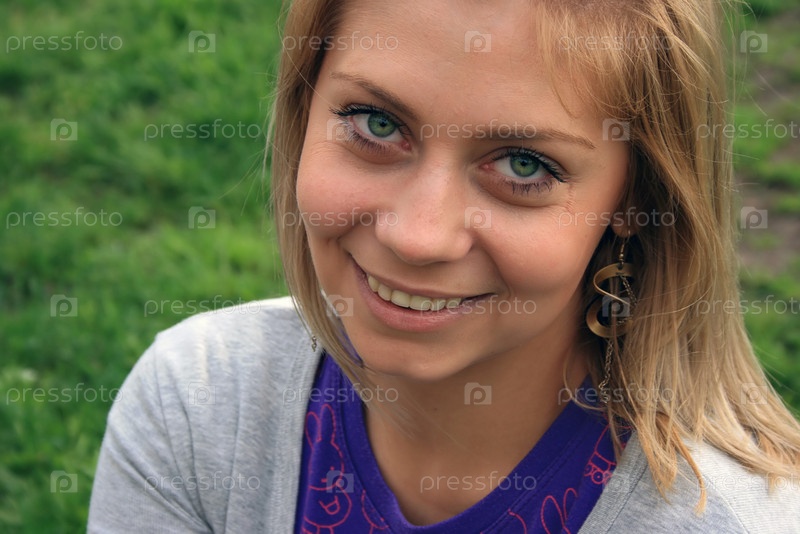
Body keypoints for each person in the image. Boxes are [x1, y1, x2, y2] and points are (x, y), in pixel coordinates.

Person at [88, 0, 800, 531]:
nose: (418, 237)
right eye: (376, 124)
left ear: (635, 199)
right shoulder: (201, 405)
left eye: (523, 165)